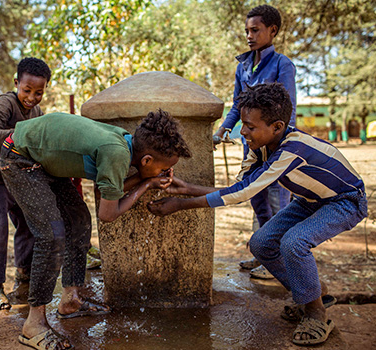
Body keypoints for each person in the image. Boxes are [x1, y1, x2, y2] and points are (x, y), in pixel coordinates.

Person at [148, 83, 367, 346]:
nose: (244, 131)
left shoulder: (291, 150)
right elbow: (240, 187)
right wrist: (186, 188)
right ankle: (311, 293)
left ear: (276, 127)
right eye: (243, 124)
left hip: (344, 201)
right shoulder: (260, 148)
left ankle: (316, 313)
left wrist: (180, 204)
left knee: (294, 242)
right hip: (310, 200)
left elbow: (241, 193)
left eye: (250, 126)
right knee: (261, 244)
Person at [0, 109, 191, 349]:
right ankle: (33, 325)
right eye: (162, 169)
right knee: (52, 235)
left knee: (78, 221)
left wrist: (148, 180)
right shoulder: (117, 152)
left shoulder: (124, 142)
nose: (163, 173)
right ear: (146, 161)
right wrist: (146, 185)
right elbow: (108, 213)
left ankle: (70, 301)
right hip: (20, 157)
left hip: (44, 161)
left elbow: (107, 190)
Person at [213, 4, 297, 279]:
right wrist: (225, 127)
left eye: (255, 30)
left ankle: (279, 261)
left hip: (276, 147)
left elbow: (288, 108)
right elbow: (238, 104)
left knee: (278, 202)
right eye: (247, 30)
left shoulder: (283, 65)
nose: (249, 35)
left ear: (272, 30)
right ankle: (263, 254)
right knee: (257, 198)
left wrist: (281, 145)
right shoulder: (244, 66)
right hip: (252, 146)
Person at [0, 57, 51, 310]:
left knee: (27, 224)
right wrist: (20, 134)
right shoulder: (4, 103)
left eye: (39, 92)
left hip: (20, 176)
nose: (32, 97)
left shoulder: (37, 111)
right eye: (27, 90)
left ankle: (23, 273)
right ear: (16, 83)